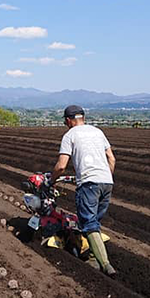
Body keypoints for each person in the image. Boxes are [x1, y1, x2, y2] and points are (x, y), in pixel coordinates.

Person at [51, 105, 117, 276]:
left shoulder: (70, 135)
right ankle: (93, 260)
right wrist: (105, 177)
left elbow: (61, 166)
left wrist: (51, 181)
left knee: (89, 224)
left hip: (89, 184)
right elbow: (112, 158)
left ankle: (106, 265)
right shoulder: (98, 132)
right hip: (107, 183)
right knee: (93, 223)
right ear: (84, 118)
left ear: (67, 120)